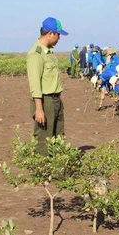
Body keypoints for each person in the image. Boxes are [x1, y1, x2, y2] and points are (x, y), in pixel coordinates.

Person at [26, 17, 68, 156]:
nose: (59, 38)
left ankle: (56, 174)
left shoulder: (49, 51)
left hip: (56, 99)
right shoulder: (36, 54)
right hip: (45, 101)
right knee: (44, 139)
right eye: (58, 35)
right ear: (50, 33)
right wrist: (39, 109)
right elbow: (35, 83)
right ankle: (42, 174)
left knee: (58, 137)